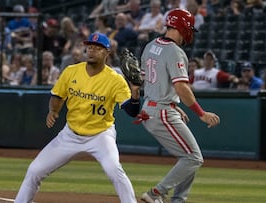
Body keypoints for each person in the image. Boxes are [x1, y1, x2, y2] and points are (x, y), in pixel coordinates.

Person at [14, 32, 141, 203]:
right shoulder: (71, 71)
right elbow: (57, 96)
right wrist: (53, 111)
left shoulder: (115, 80)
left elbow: (131, 111)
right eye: (90, 47)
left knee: (114, 171)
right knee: (34, 171)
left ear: (107, 53)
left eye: (97, 48)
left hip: (100, 135)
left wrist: (134, 94)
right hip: (70, 135)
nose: (92, 51)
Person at [139, 8, 220, 203]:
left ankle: (178, 200)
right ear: (183, 27)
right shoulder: (175, 51)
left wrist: (174, 106)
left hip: (153, 107)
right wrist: (200, 113)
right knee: (193, 158)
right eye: (189, 28)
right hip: (161, 112)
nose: (190, 33)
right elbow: (182, 87)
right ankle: (155, 194)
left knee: (189, 157)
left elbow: (151, 83)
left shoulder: (150, 46)